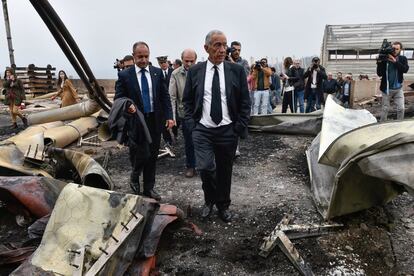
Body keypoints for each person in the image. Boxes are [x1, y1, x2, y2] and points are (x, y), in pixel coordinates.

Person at [183, 30, 251, 222]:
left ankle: (223, 205)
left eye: (224, 45)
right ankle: (209, 200)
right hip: (202, 129)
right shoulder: (195, 71)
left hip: (227, 130)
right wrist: (191, 124)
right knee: (204, 168)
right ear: (206, 48)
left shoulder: (236, 70)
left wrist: (239, 126)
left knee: (224, 170)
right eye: (217, 45)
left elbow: (245, 101)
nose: (223, 50)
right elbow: (187, 100)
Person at [115, 41, 174, 201]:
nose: (143, 59)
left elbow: (164, 96)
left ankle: (149, 187)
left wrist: (169, 116)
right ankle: (135, 175)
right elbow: (119, 99)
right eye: (140, 56)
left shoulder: (156, 73)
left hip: (155, 119)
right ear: (134, 56)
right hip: (136, 121)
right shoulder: (125, 75)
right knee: (140, 152)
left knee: (153, 154)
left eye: (146, 56)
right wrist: (128, 106)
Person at [169, 49, 198, 178]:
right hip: (185, 113)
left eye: (192, 61)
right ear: (182, 60)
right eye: (187, 61)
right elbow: (172, 97)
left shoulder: (201, 72)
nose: (190, 63)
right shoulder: (175, 74)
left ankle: (205, 166)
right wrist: (173, 118)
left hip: (202, 112)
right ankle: (191, 166)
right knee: (189, 141)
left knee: (204, 140)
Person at [377, 41, 409, 121]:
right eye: (393, 48)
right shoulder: (385, 59)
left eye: (397, 49)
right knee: (385, 109)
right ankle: (382, 125)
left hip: (398, 89)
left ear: (400, 50)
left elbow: (405, 70)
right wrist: (379, 62)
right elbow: (379, 74)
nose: (394, 50)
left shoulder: (402, 59)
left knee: (401, 108)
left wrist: (395, 62)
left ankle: (399, 125)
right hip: (386, 89)